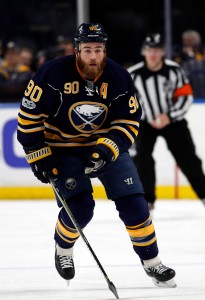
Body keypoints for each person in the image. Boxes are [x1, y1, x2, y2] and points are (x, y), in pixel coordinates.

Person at [17, 23, 176, 288]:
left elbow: (128, 121)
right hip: (63, 150)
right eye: (88, 49)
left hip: (104, 147)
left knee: (136, 205)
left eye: (98, 50)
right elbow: (29, 116)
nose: (93, 56)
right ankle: (63, 249)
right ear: (77, 50)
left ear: (105, 51)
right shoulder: (51, 73)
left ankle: (152, 263)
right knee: (81, 208)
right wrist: (38, 154)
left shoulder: (119, 77)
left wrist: (106, 148)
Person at [128, 33, 205, 213]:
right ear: (143, 52)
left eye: (156, 50)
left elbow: (185, 97)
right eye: (149, 50)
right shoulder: (133, 75)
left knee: (189, 159)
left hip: (173, 121)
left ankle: (204, 194)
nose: (153, 54)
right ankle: (147, 201)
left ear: (162, 52)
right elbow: (127, 103)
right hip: (145, 123)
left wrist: (169, 116)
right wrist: (147, 117)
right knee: (142, 159)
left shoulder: (174, 70)